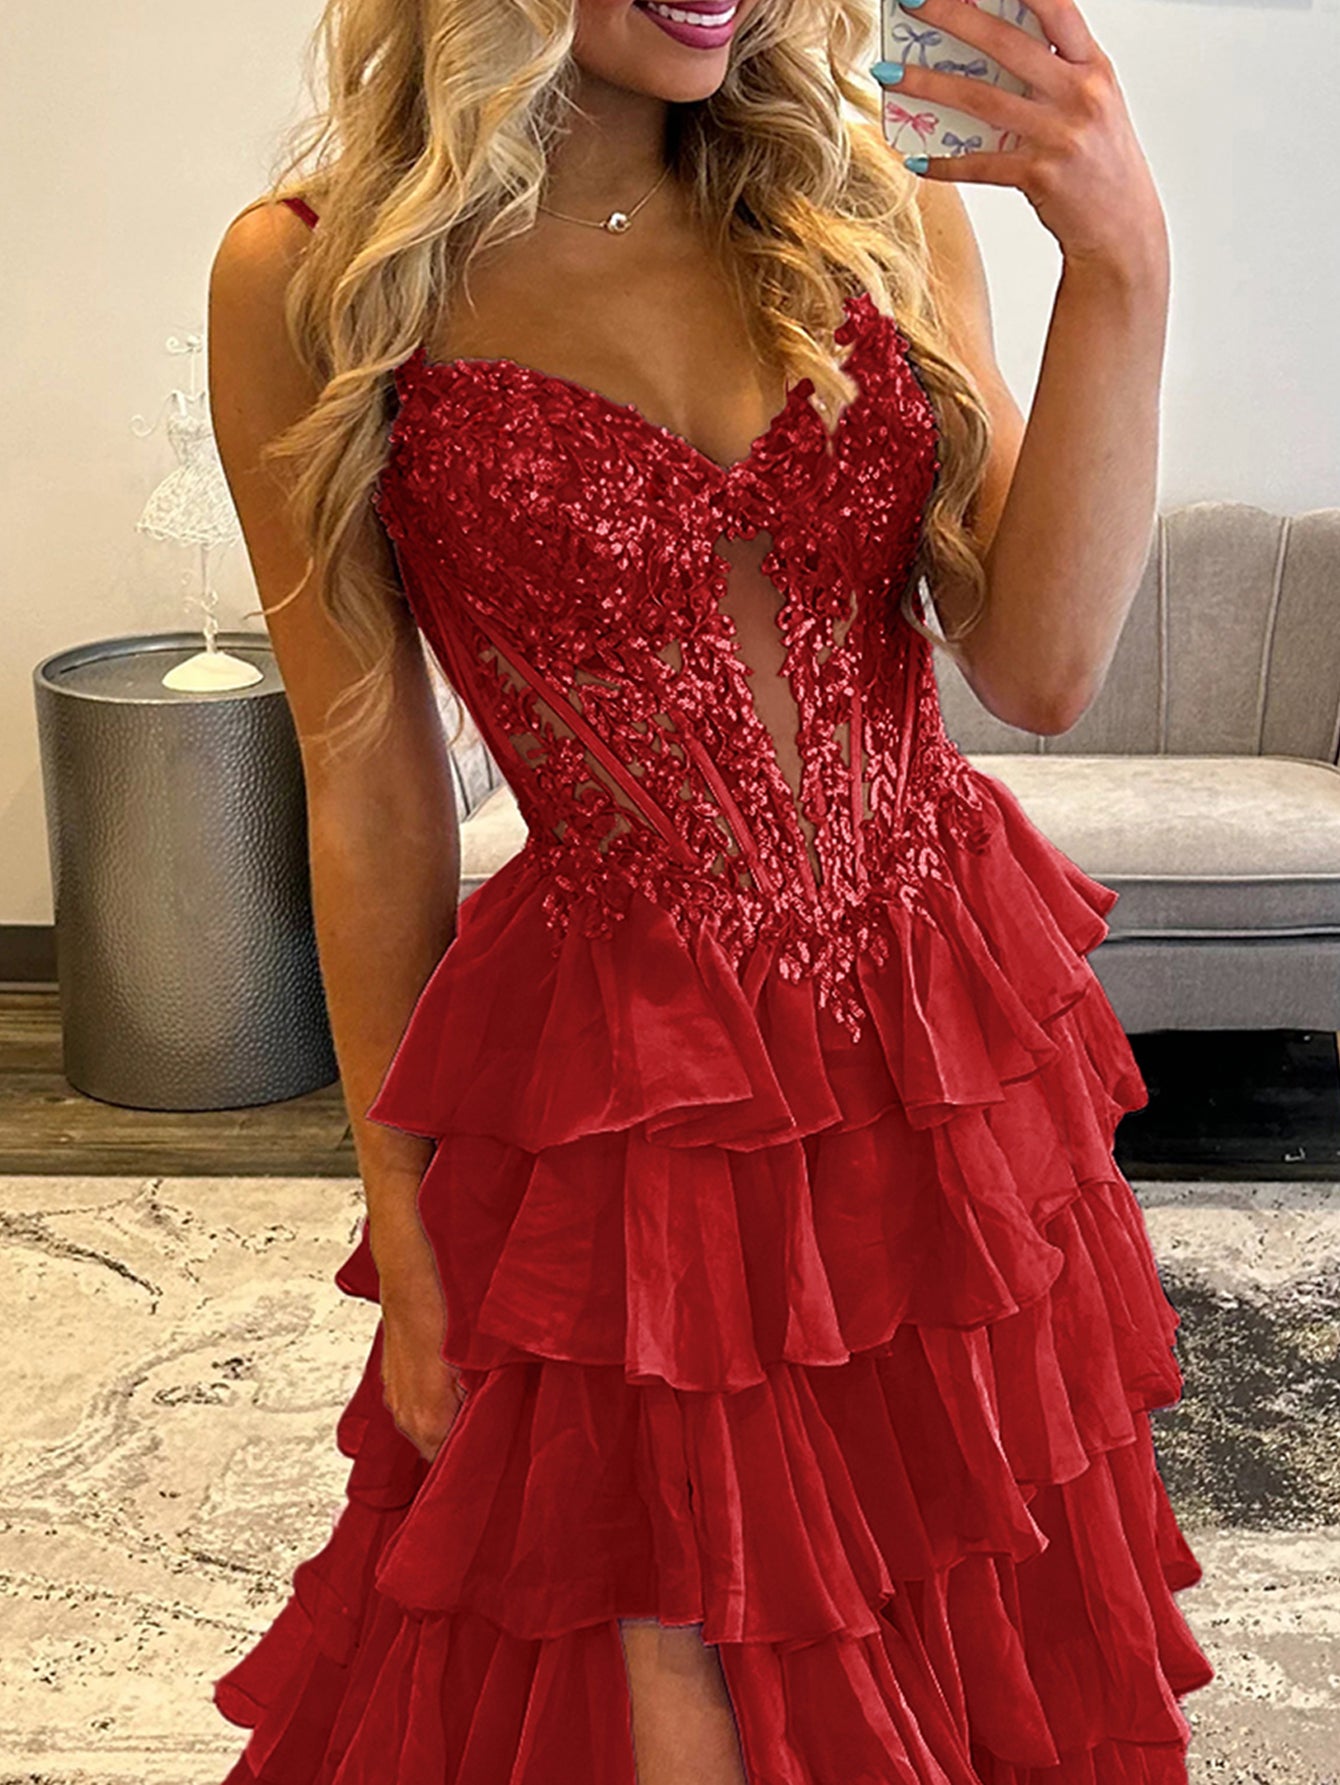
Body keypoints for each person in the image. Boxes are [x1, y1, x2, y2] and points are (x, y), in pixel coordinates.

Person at [206, 0, 1214, 1778]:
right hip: (629, 1096)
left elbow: (1042, 665)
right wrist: (405, 1210)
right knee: (659, 1663)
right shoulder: (312, 279)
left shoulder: (874, 200)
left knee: (955, 1595)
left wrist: (1121, 265)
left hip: (941, 1052)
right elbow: (366, 786)